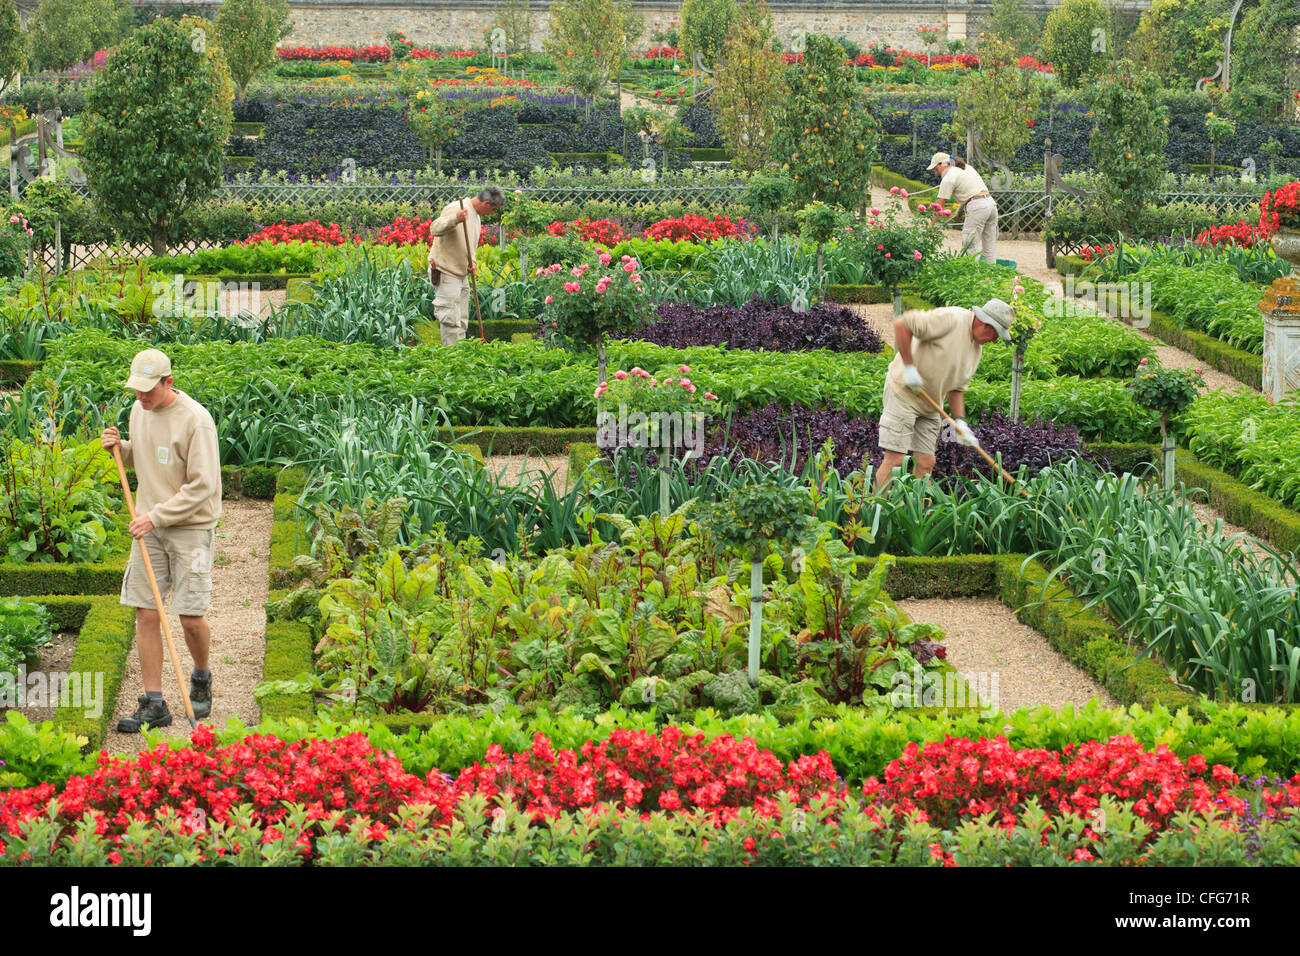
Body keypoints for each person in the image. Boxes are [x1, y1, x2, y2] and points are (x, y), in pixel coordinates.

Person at [100, 349, 222, 732]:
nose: (141, 398)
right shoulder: (140, 411)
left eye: (148, 391)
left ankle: (201, 674)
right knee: (147, 611)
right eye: (136, 391)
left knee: (189, 617)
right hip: (149, 524)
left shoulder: (196, 421)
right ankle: (155, 703)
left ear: (169, 382)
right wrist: (122, 451)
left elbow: (203, 486)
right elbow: (148, 460)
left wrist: (157, 516)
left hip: (189, 527)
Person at [874, 299, 1014, 492]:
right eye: (996, 334)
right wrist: (909, 367)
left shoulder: (976, 351)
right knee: (895, 460)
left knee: (926, 462)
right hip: (903, 393)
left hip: (931, 404)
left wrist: (960, 423)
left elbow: (956, 389)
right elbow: (902, 324)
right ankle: (873, 513)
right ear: (985, 323)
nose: (995, 340)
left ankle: (918, 517)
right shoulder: (952, 319)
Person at [427, 185, 506, 346]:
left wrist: (473, 262)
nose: (492, 213)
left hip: (462, 274)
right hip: (446, 271)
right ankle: (450, 358)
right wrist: (455, 219)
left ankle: (460, 355)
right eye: (493, 210)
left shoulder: (476, 217)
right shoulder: (457, 208)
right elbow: (434, 228)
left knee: (462, 319)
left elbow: (470, 245)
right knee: (450, 318)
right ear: (486, 204)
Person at [927, 151, 1000, 265]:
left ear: (943, 164)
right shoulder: (967, 168)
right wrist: (960, 211)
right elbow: (971, 190)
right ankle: (990, 277)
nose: (936, 173)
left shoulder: (948, 178)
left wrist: (930, 226)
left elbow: (939, 206)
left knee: (969, 245)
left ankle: (973, 276)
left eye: (936, 169)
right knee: (989, 245)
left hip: (978, 207)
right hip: (991, 204)